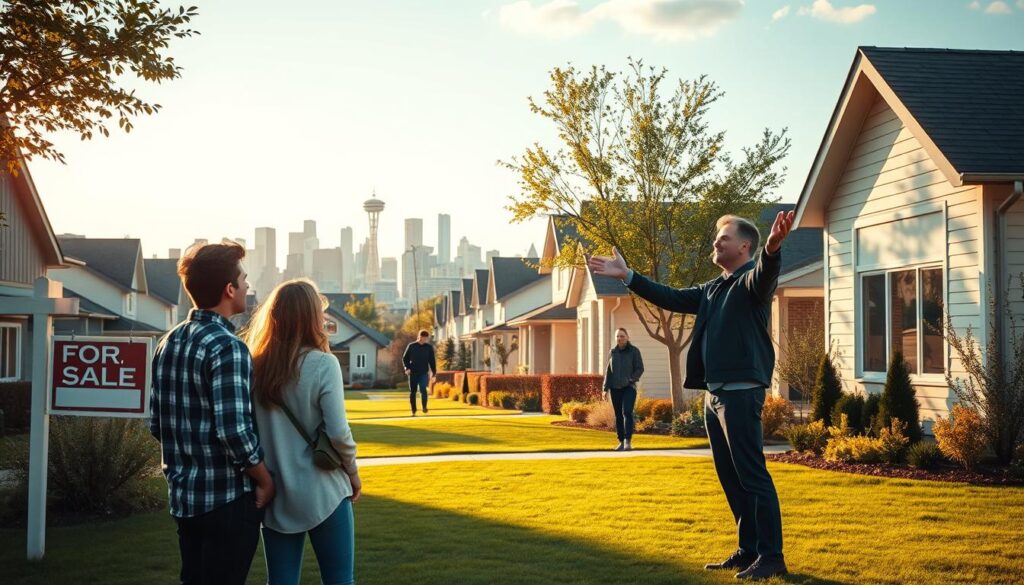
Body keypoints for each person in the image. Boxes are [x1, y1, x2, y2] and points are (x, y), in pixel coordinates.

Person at [588, 211, 795, 581]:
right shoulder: (713, 289)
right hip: (715, 397)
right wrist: (628, 276)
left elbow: (766, 273)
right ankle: (748, 549)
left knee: (753, 476)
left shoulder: (751, 282)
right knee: (731, 478)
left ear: (745, 246)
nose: (716, 242)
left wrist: (774, 247)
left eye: (724, 238)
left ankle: (772, 556)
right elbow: (669, 296)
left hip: (742, 394)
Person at [150, 241, 275, 585]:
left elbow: (157, 424)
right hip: (227, 501)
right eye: (244, 280)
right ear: (229, 289)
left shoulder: (168, 342)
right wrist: (264, 481)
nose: (248, 287)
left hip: (184, 500)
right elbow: (234, 431)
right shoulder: (228, 347)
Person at [244, 278, 361, 585]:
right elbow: (339, 433)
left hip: (277, 493)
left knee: (280, 582)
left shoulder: (254, 366)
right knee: (339, 581)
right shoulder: (323, 364)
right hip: (324, 491)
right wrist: (353, 471)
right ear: (311, 317)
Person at [602, 328, 644, 451]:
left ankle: (628, 441)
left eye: (622, 336)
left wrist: (631, 379)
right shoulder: (613, 352)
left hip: (629, 387)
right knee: (618, 415)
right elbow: (608, 372)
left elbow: (640, 368)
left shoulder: (634, 351)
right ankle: (621, 441)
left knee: (627, 412)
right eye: (618, 336)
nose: (620, 338)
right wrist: (605, 389)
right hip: (615, 388)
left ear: (627, 337)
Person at [402, 330, 437, 416]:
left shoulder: (428, 347)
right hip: (413, 372)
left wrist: (434, 372)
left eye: (426, 338)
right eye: (424, 338)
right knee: (413, 392)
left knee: (423, 390)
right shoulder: (411, 346)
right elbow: (405, 358)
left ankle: (424, 407)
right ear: (420, 337)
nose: (425, 340)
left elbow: (432, 361)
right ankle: (413, 411)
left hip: (423, 372)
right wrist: (407, 368)